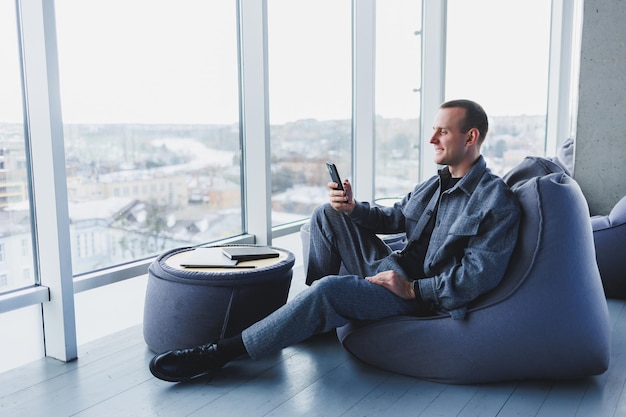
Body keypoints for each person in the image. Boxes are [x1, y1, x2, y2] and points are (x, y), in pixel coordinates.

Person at [149, 99, 521, 383]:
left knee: (329, 291)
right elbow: (394, 218)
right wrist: (353, 207)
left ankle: (219, 353)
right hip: (393, 270)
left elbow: (477, 277)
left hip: (421, 300)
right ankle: (312, 320)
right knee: (326, 214)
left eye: (442, 131)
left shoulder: (496, 200)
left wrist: (411, 289)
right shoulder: (436, 182)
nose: (431, 139)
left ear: (470, 137)